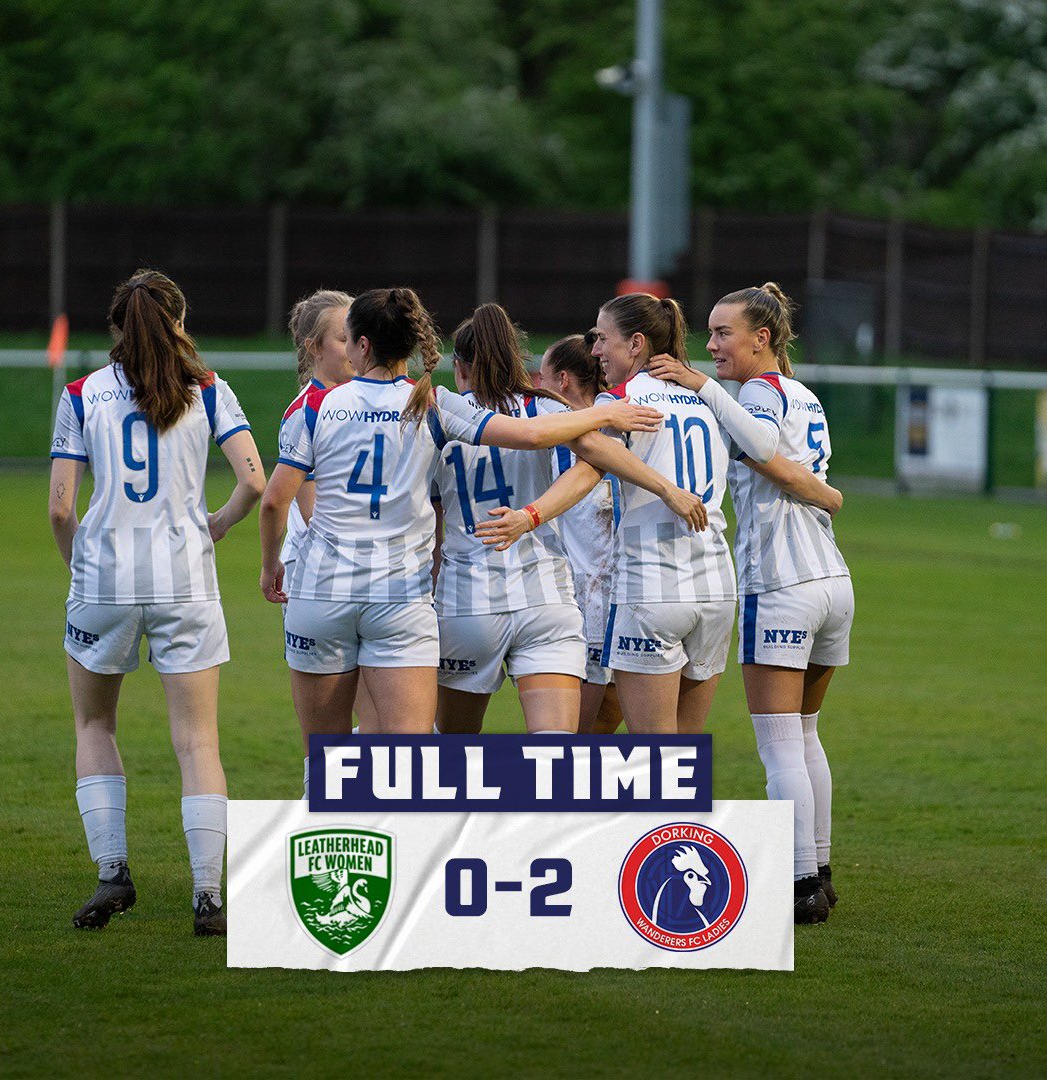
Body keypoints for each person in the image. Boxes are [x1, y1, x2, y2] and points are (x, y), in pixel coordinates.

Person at [258, 287, 674, 754]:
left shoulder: (317, 404)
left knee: (363, 753)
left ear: (362, 345)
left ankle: (338, 823)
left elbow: (276, 500)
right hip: (517, 597)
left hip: (435, 596)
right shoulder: (439, 406)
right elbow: (570, 450)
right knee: (530, 756)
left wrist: (272, 564)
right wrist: (614, 442)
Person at [48, 269, 264, 935]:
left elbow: (60, 509)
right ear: (179, 319)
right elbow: (255, 481)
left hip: (104, 580)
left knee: (95, 728)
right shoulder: (207, 388)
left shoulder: (82, 393)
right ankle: (207, 898)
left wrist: (82, 565)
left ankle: (113, 872)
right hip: (185, 579)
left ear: (118, 325)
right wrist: (218, 524)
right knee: (197, 741)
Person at [647, 281, 851, 924]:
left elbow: (762, 451)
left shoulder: (758, 394)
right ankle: (818, 868)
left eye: (722, 333)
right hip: (832, 582)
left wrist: (699, 385)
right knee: (807, 735)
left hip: (782, 583)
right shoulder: (803, 393)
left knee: (779, 744)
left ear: (761, 338)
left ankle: (797, 885)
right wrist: (826, 493)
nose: (710, 346)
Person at [434, 306, 705, 737]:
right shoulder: (550, 409)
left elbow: (428, 511)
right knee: (557, 754)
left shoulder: (441, 413)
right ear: (516, 357)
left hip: (468, 599)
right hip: (546, 600)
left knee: (449, 746)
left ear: (459, 366)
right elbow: (592, 465)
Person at [280, 290, 376, 782]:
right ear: (314, 347)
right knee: (338, 734)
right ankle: (323, 821)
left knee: (382, 726)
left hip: (367, 576)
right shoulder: (311, 409)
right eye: (343, 338)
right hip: (328, 575)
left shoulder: (363, 401)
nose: (356, 346)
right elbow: (313, 509)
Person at [536, 333, 623, 733]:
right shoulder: (621, 430)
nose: (536, 386)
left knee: (576, 740)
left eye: (543, 377)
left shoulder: (553, 437)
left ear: (564, 380)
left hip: (589, 603)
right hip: (632, 597)